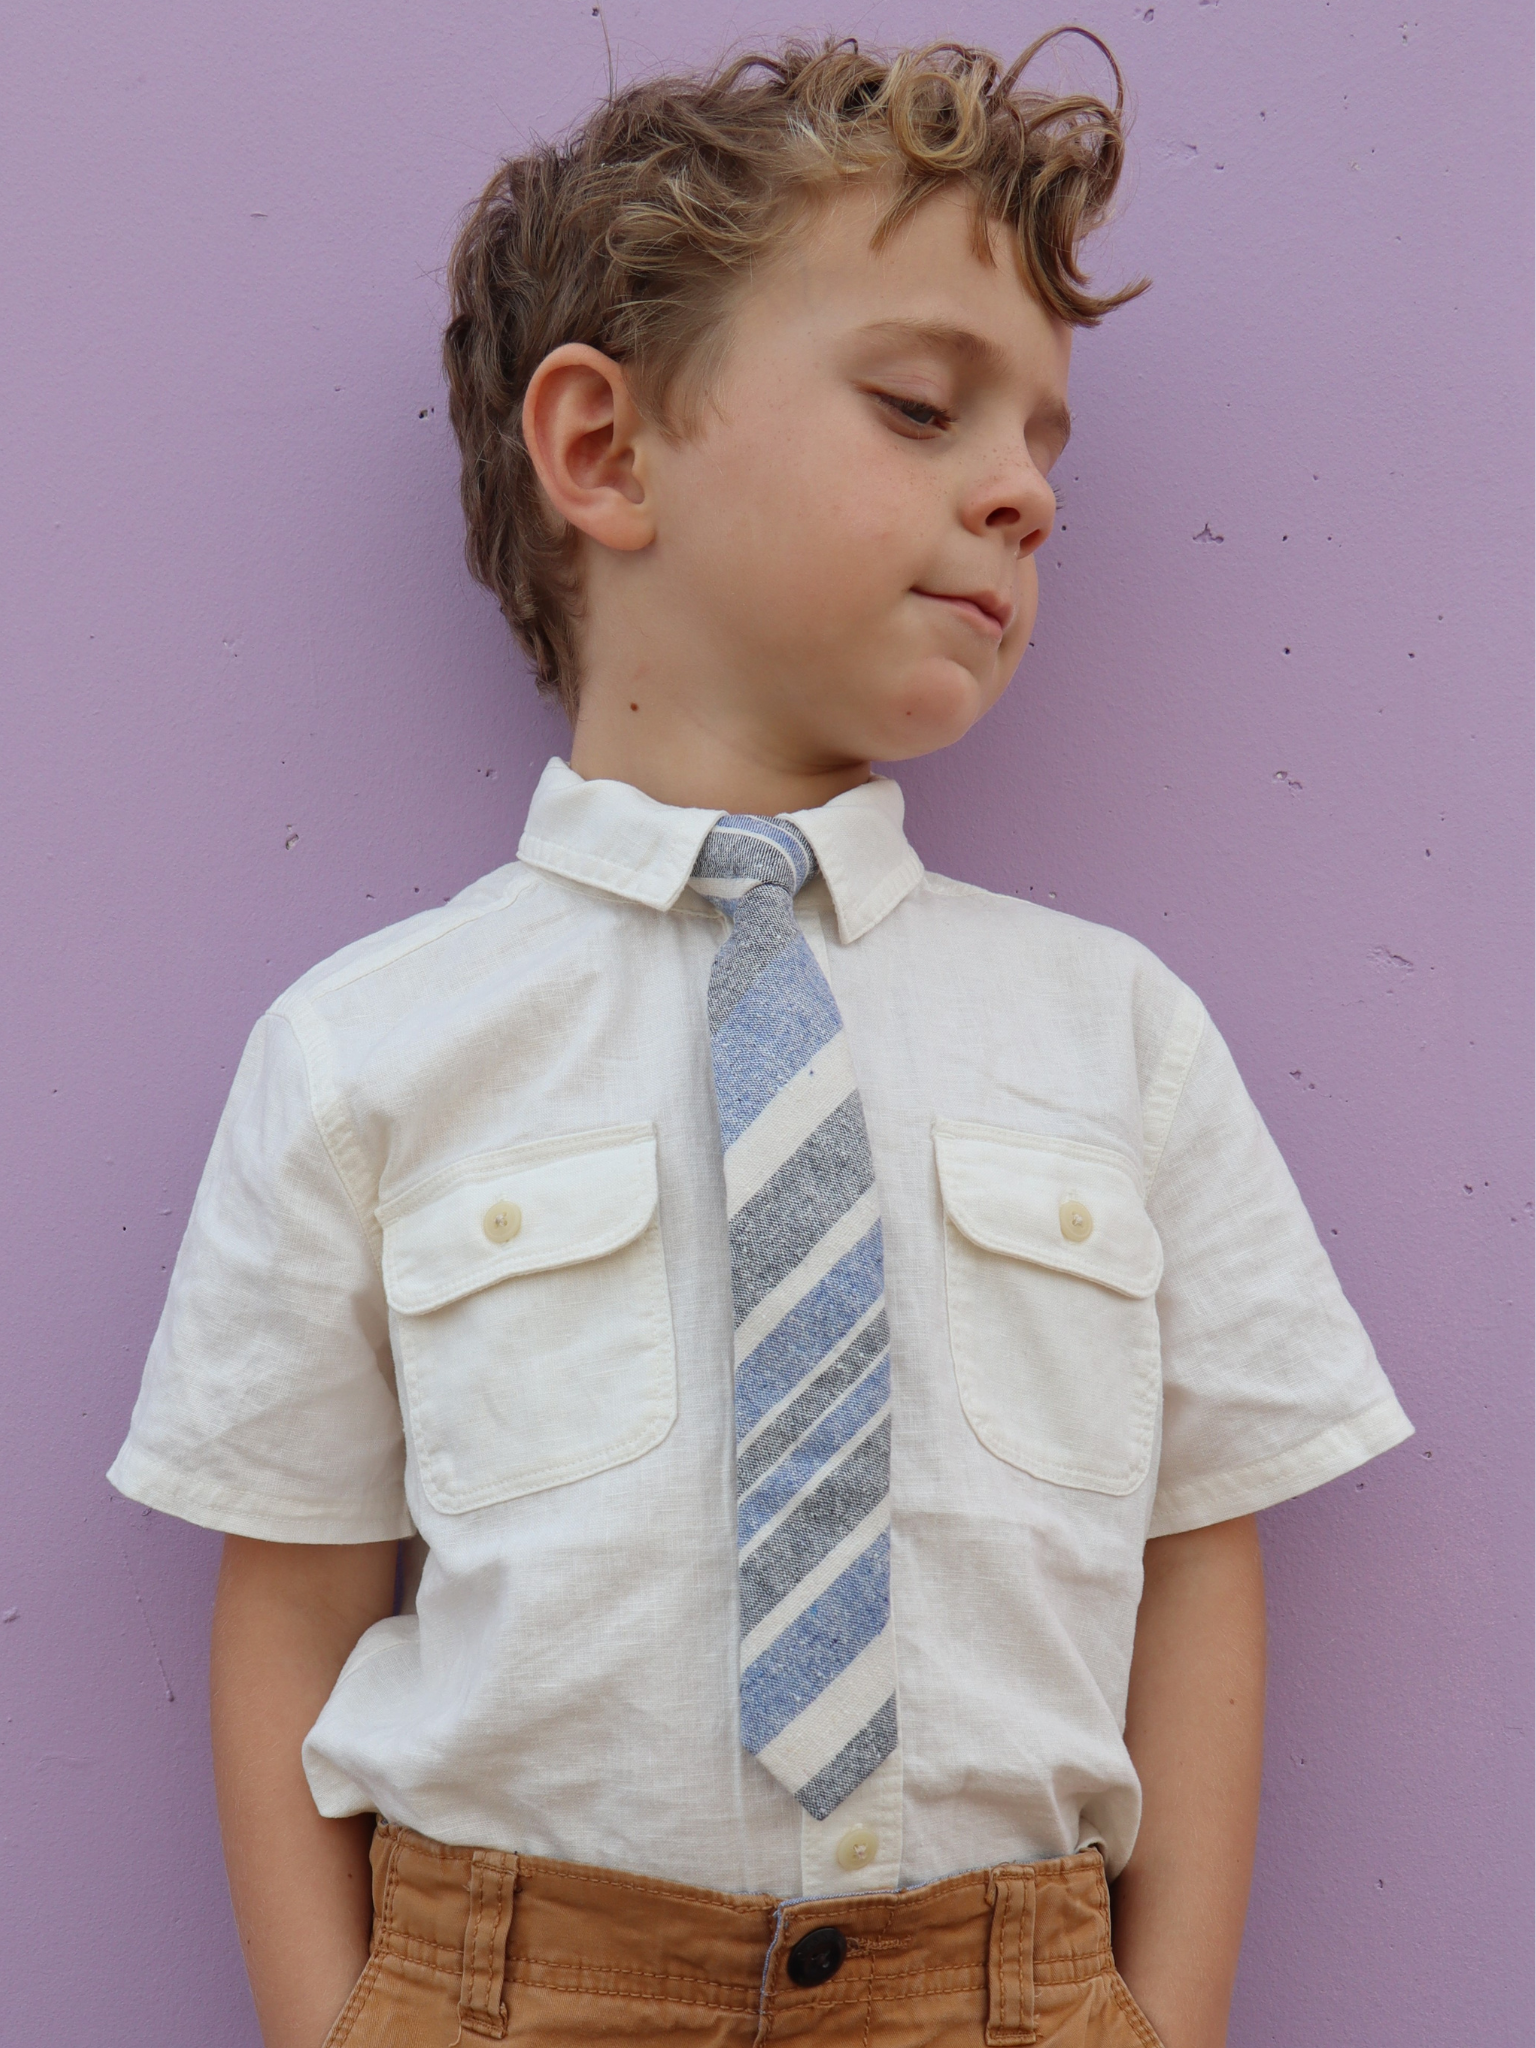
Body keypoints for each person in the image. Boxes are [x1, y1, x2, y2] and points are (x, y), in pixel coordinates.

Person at [108, 32, 1413, 2048]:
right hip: (510, 1983)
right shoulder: (368, 1050)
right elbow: (291, 1593)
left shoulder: (1117, 1032)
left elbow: (1200, 1541)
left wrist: (1172, 2008)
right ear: (607, 453)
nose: (1022, 490)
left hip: (1009, 1985)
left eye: (1050, 446)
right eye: (922, 402)